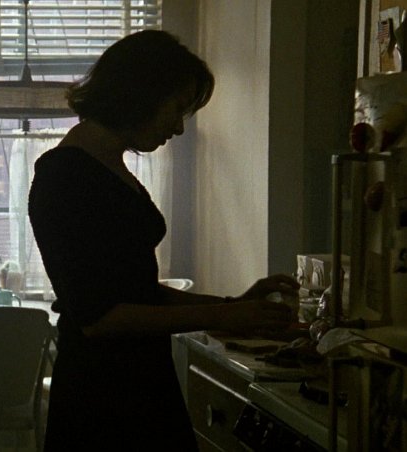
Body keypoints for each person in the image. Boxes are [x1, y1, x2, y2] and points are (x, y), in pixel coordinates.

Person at [28, 30, 299, 450]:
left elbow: (135, 291)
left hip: (140, 382)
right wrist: (223, 316)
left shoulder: (104, 166)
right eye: (175, 109)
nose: (178, 127)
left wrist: (233, 306)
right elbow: (100, 318)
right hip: (103, 400)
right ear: (139, 95)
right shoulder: (65, 177)